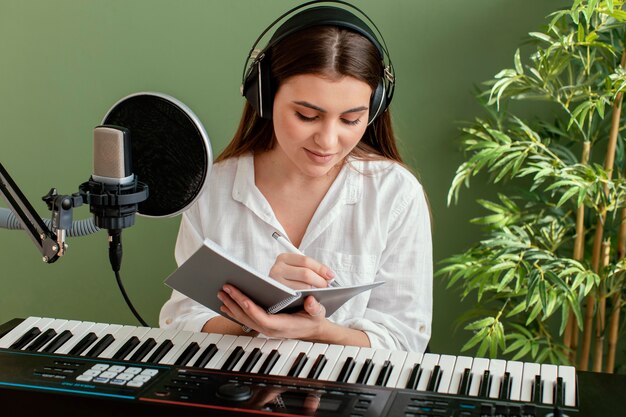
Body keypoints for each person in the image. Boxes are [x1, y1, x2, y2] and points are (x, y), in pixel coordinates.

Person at [159, 2, 432, 354]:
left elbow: (404, 341)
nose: (328, 141)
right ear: (265, 96)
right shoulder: (212, 188)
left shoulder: (395, 194)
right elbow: (181, 321)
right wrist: (252, 319)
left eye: (351, 120)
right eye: (306, 115)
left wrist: (319, 330)